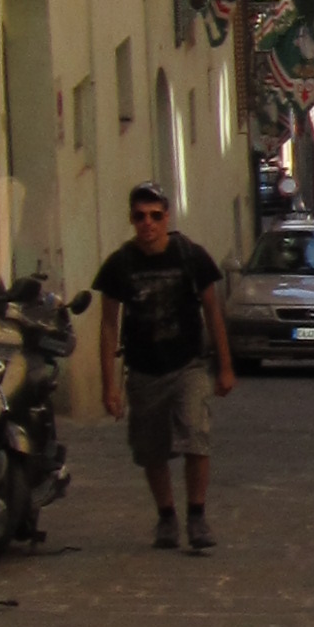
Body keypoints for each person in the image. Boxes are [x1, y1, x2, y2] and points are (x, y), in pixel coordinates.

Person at [90, 183, 233, 553]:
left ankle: (197, 515)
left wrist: (225, 366)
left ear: (167, 217)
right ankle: (167, 516)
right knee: (151, 449)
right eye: (140, 216)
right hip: (143, 370)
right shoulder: (121, 264)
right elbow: (108, 325)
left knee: (196, 435)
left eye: (155, 216)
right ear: (131, 219)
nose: (148, 223)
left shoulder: (190, 256)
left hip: (189, 365)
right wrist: (109, 385)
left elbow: (212, 311)